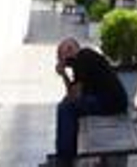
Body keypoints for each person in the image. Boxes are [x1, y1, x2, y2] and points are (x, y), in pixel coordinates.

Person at [51, 37, 127, 165]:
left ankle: (64, 159)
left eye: (60, 55)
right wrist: (64, 74)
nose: (60, 60)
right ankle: (66, 156)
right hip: (109, 101)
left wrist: (63, 71)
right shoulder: (82, 60)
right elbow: (72, 95)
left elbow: (74, 97)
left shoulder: (83, 57)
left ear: (70, 50)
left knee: (65, 108)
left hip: (110, 102)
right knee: (67, 106)